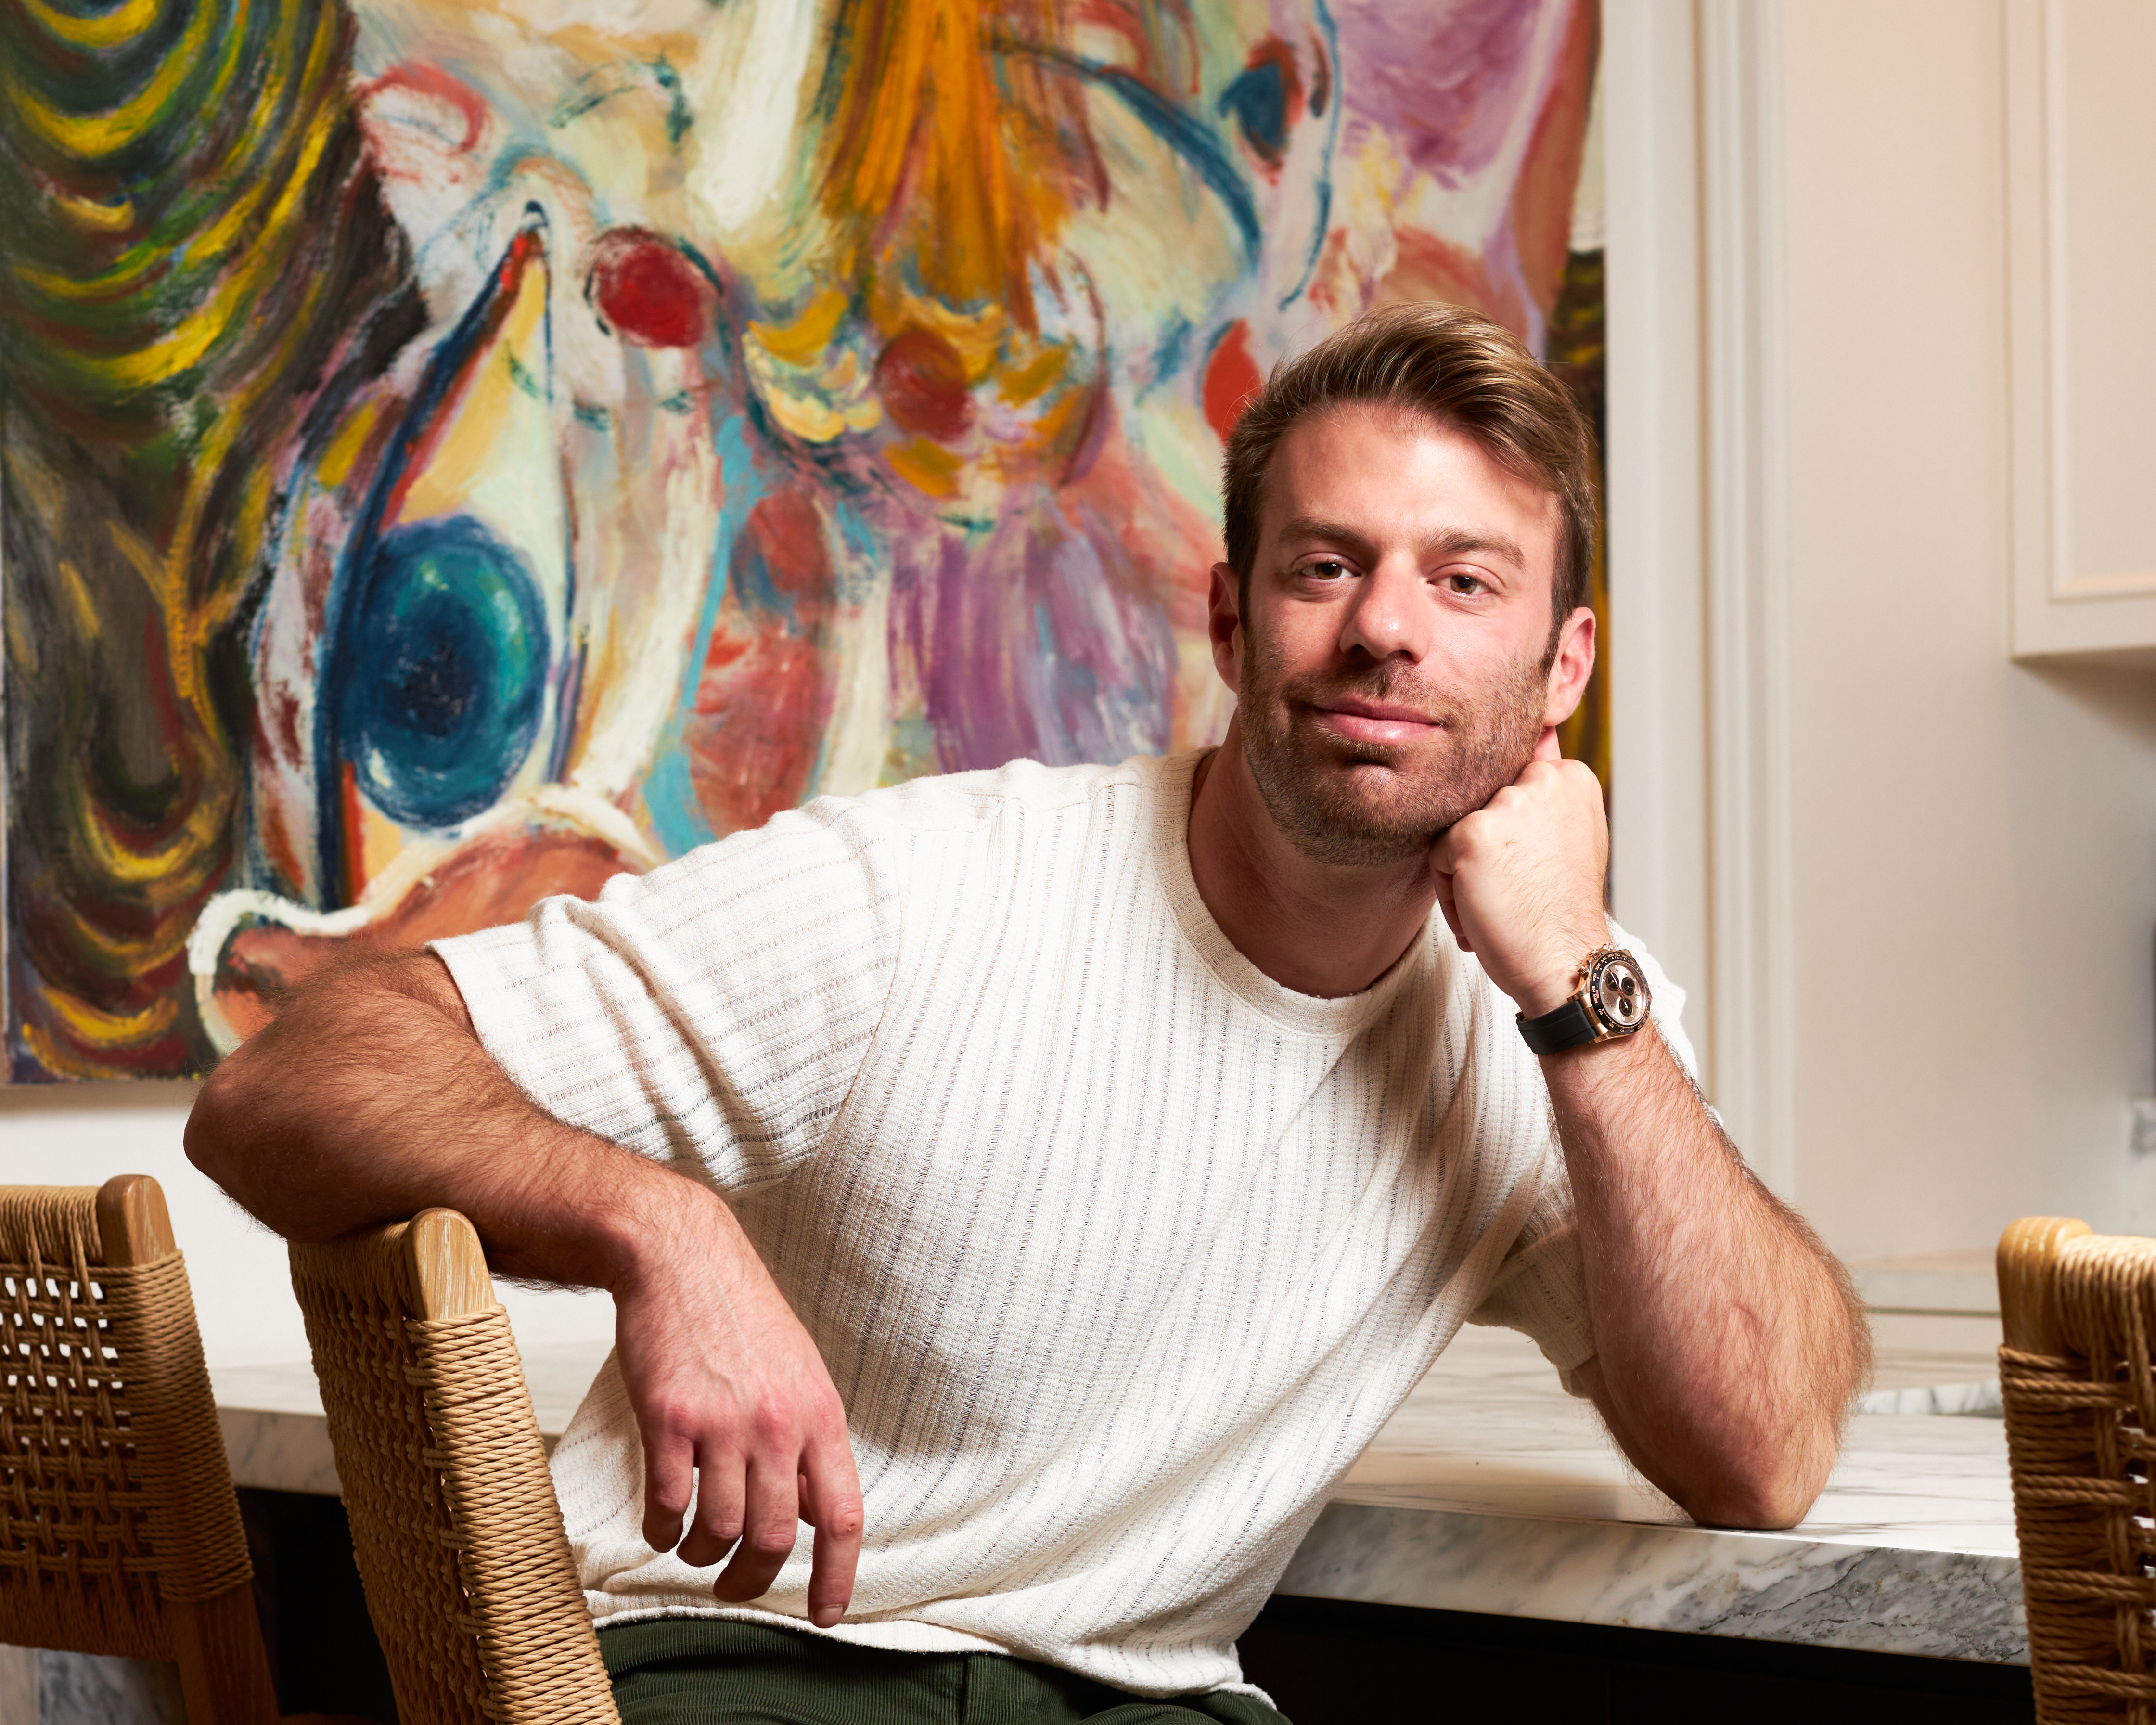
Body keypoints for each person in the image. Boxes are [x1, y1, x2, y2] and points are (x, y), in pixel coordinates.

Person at [186, 301, 1868, 1724]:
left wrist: (1581, 988)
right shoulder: (919, 898)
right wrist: (655, 1222)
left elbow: (1764, 1456)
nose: (1383, 633)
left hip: (1153, 1698)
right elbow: (282, 1085)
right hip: (747, 1663)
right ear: (1230, 617)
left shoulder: (1561, 1017)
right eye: (1328, 565)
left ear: (1565, 671)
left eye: (1466, 583)